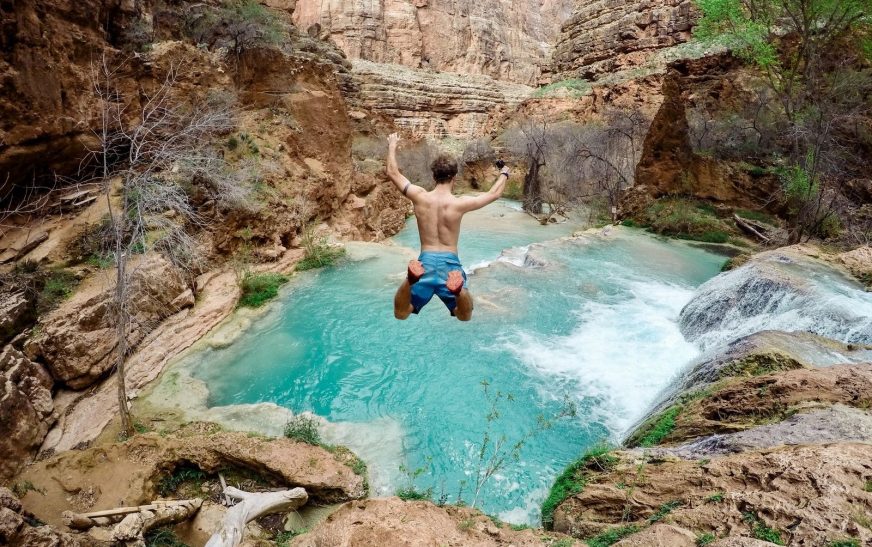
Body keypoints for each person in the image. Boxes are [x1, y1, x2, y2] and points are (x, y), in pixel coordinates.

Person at [385, 132, 510, 321]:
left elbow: (393, 173)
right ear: (454, 177)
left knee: (401, 313)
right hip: (450, 264)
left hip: (424, 262)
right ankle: (458, 291)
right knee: (464, 315)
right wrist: (505, 173)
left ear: (434, 176)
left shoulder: (419, 196)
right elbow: (494, 194)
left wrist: (392, 145)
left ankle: (410, 280)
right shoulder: (459, 204)